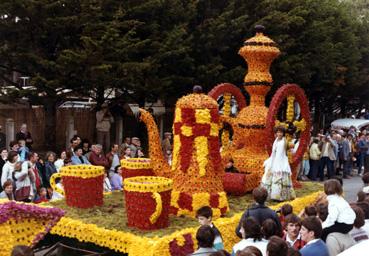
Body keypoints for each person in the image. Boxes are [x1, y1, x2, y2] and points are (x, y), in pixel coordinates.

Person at [261, 126, 295, 201]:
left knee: (279, 180)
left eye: (281, 132)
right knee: (270, 178)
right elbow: (273, 153)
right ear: (276, 133)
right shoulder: (276, 141)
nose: (279, 134)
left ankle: (279, 196)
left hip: (281, 163)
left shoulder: (284, 142)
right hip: (274, 161)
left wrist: (291, 145)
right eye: (278, 132)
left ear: (283, 133)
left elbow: (289, 148)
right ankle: (271, 195)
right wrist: (270, 161)